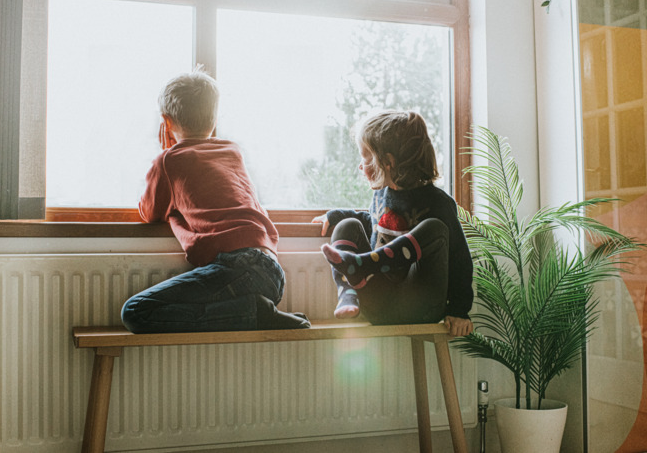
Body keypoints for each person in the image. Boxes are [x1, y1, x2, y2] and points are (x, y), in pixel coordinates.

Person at [121, 67, 309, 334]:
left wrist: (166, 155)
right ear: (215, 117)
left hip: (238, 268)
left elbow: (150, 213)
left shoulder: (169, 160)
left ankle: (253, 314)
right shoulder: (232, 151)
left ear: (166, 122)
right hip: (272, 270)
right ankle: (253, 310)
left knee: (135, 311)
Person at [313, 110, 474, 337]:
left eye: (366, 157)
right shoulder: (381, 196)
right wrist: (336, 215)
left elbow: (460, 259)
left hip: (420, 305)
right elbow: (374, 223)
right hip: (376, 304)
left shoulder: (438, 203)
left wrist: (460, 310)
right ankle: (349, 291)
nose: (361, 166)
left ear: (388, 162)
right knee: (346, 225)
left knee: (435, 229)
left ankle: (363, 265)